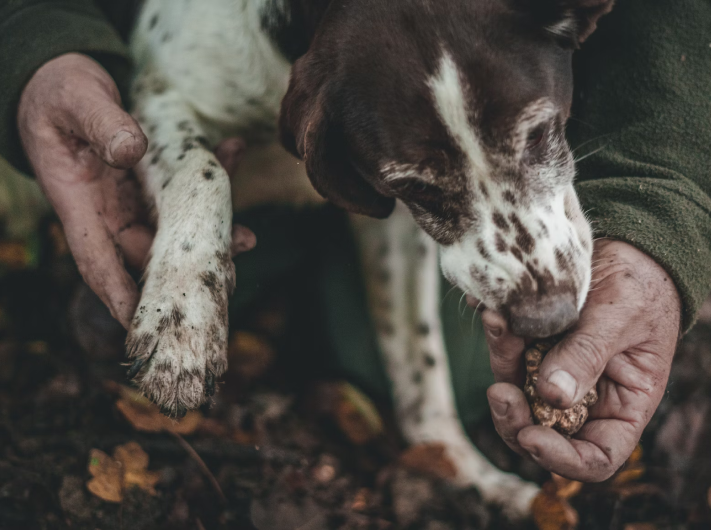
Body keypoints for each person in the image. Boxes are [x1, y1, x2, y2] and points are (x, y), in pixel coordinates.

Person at [1, 0, 710, 483]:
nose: (539, 276)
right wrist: (33, 51)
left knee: (479, 391)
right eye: (423, 185)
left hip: (351, 150)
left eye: (536, 138)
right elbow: (164, 99)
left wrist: (661, 209)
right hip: (261, 139)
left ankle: (424, 414)